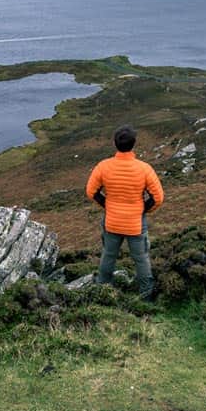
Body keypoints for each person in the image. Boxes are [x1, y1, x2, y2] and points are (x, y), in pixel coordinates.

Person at [85, 125, 165, 300]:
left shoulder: (103, 166)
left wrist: (107, 204)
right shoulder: (144, 169)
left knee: (108, 256)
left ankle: (102, 292)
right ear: (134, 144)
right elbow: (158, 197)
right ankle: (146, 297)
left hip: (112, 220)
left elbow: (91, 191)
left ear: (115, 144)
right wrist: (144, 208)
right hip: (135, 223)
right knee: (141, 259)